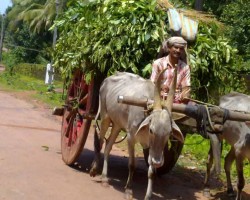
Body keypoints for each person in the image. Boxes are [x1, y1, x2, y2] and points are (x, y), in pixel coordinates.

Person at [150, 36, 191, 104]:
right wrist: (161, 86)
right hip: (159, 99)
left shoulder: (185, 67)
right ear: (169, 48)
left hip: (177, 102)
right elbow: (151, 83)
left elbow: (186, 87)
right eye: (176, 47)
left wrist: (186, 95)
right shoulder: (158, 64)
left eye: (181, 49)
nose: (178, 50)